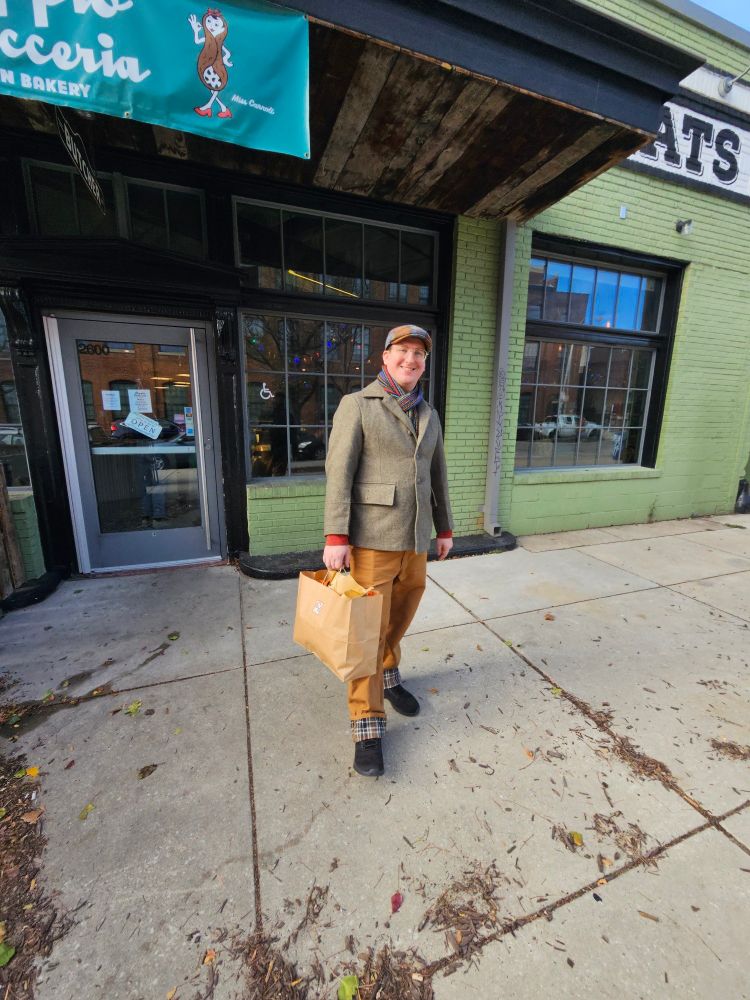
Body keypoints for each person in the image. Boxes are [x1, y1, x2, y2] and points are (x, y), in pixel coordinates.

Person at [322, 324, 454, 777]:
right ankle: (366, 723)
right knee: (365, 631)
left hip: (415, 538)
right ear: (385, 357)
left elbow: (438, 476)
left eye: (419, 353)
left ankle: (389, 670)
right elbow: (338, 472)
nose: (411, 359)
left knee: (401, 612)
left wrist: (445, 528)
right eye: (403, 351)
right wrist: (336, 537)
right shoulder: (358, 406)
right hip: (372, 536)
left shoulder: (429, 414)